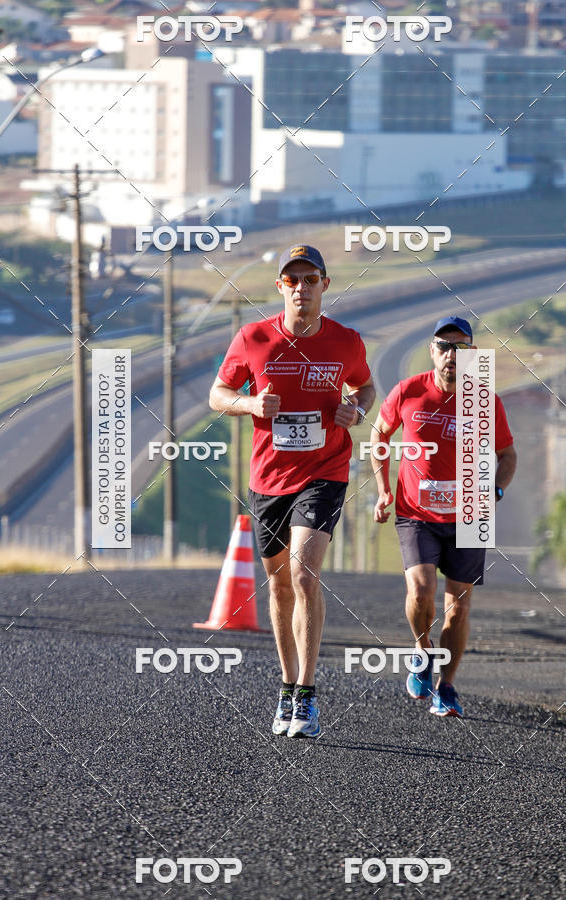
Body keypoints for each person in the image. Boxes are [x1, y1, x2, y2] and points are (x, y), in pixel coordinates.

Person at [209, 244, 375, 738]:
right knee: (278, 583)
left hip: (325, 470)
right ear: (280, 287)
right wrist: (251, 405)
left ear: (325, 284)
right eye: (292, 280)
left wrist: (358, 411)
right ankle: (286, 685)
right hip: (269, 478)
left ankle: (307, 693)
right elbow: (217, 395)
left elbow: (365, 387)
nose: (301, 288)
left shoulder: (346, 341)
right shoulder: (253, 337)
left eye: (310, 279)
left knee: (304, 572)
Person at [370, 315, 517, 717]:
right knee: (420, 591)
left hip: (469, 512)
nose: (452, 356)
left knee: (459, 607)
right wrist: (383, 489)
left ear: (472, 355)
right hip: (416, 511)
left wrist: (496, 490)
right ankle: (421, 649)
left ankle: (446, 687)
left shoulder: (485, 400)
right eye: (444, 347)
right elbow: (379, 435)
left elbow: (507, 456)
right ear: (432, 351)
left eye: (461, 348)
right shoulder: (408, 391)